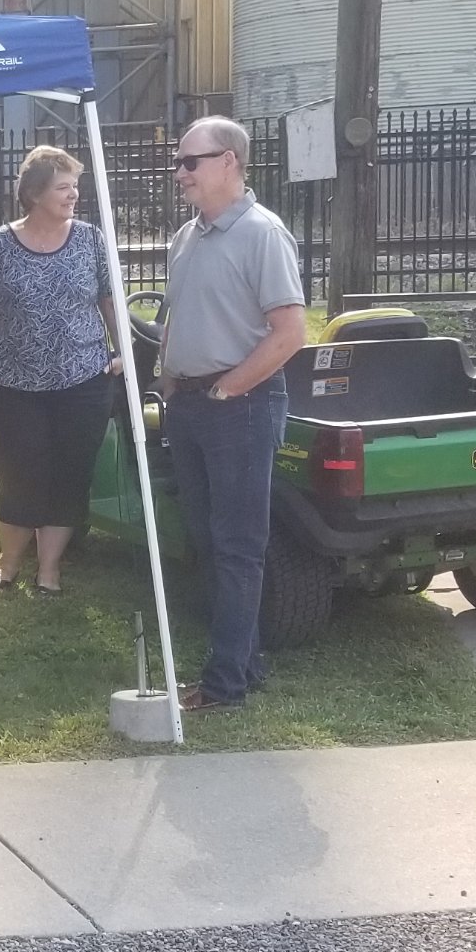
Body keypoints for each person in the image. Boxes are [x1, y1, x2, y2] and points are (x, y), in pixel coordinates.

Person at [159, 115, 308, 712]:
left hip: (239, 409)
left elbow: (290, 332)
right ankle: (243, 664)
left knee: (237, 546)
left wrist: (227, 390)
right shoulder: (185, 237)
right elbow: (177, 318)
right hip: (191, 406)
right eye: (178, 162)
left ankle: (224, 685)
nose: (179, 173)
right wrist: (170, 381)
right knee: (206, 540)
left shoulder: (263, 234)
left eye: (190, 162)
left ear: (230, 163)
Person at [0, 145, 123, 597]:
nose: (73, 195)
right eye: (63, 187)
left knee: (70, 473)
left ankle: (49, 568)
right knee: (19, 470)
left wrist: (122, 352)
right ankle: (9, 562)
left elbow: (110, 299)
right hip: (10, 384)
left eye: (75, 186)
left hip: (84, 379)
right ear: (33, 193)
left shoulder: (91, 239)